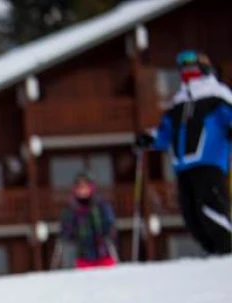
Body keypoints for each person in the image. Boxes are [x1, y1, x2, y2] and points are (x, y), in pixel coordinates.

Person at [135, 50, 232, 256]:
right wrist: (149, 138)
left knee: (211, 209)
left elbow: (228, 117)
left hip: (209, 162)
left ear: (204, 68)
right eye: (184, 68)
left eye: (192, 67)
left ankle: (227, 249)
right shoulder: (178, 103)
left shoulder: (217, 95)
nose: (188, 72)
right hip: (183, 167)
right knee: (191, 215)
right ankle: (215, 254)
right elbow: (165, 133)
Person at [58, 173, 117, 269]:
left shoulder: (101, 206)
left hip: (102, 253)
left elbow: (110, 224)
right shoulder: (71, 210)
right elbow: (66, 231)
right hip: (82, 255)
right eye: (79, 188)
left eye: (85, 187)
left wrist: (109, 232)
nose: (82, 191)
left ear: (91, 188)